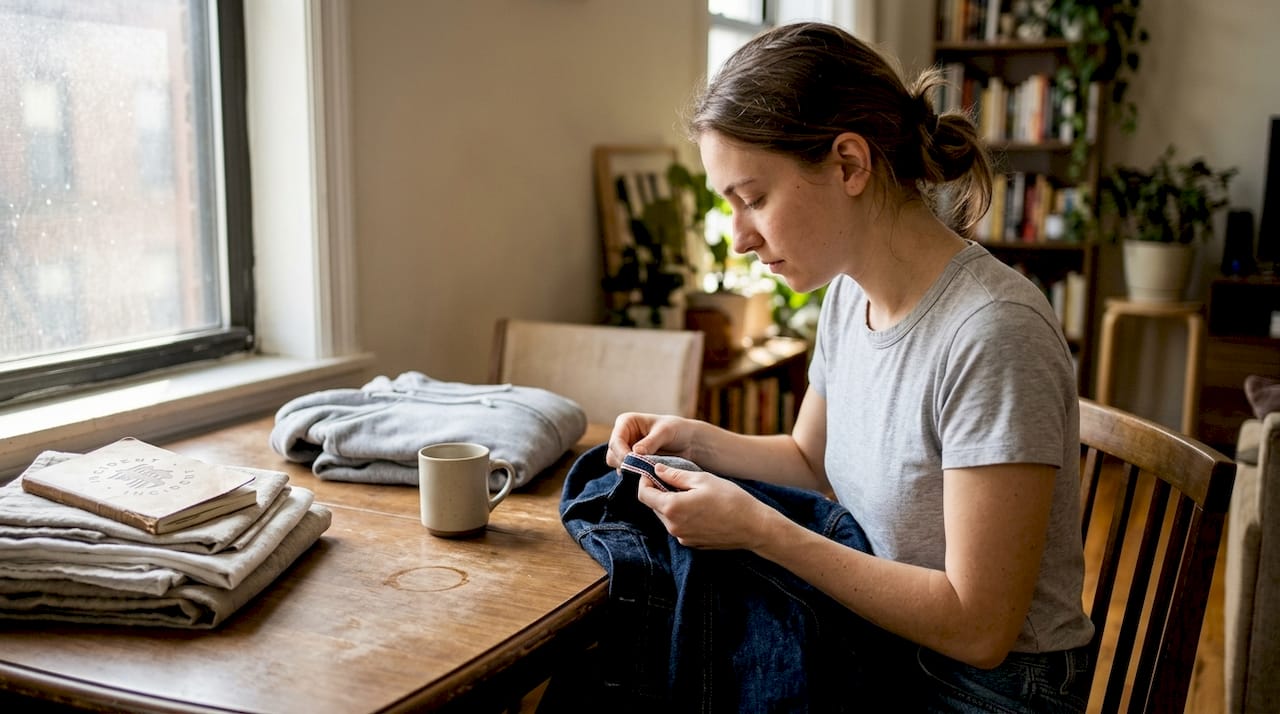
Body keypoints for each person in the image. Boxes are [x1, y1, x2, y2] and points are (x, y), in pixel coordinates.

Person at [603, 21, 1095, 712]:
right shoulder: (846, 296)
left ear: (849, 164)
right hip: (888, 642)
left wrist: (761, 530)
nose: (740, 237)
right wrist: (693, 441)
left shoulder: (993, 333)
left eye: (755, 198)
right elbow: (812, 460)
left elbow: (981, 628)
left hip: (986, 685)